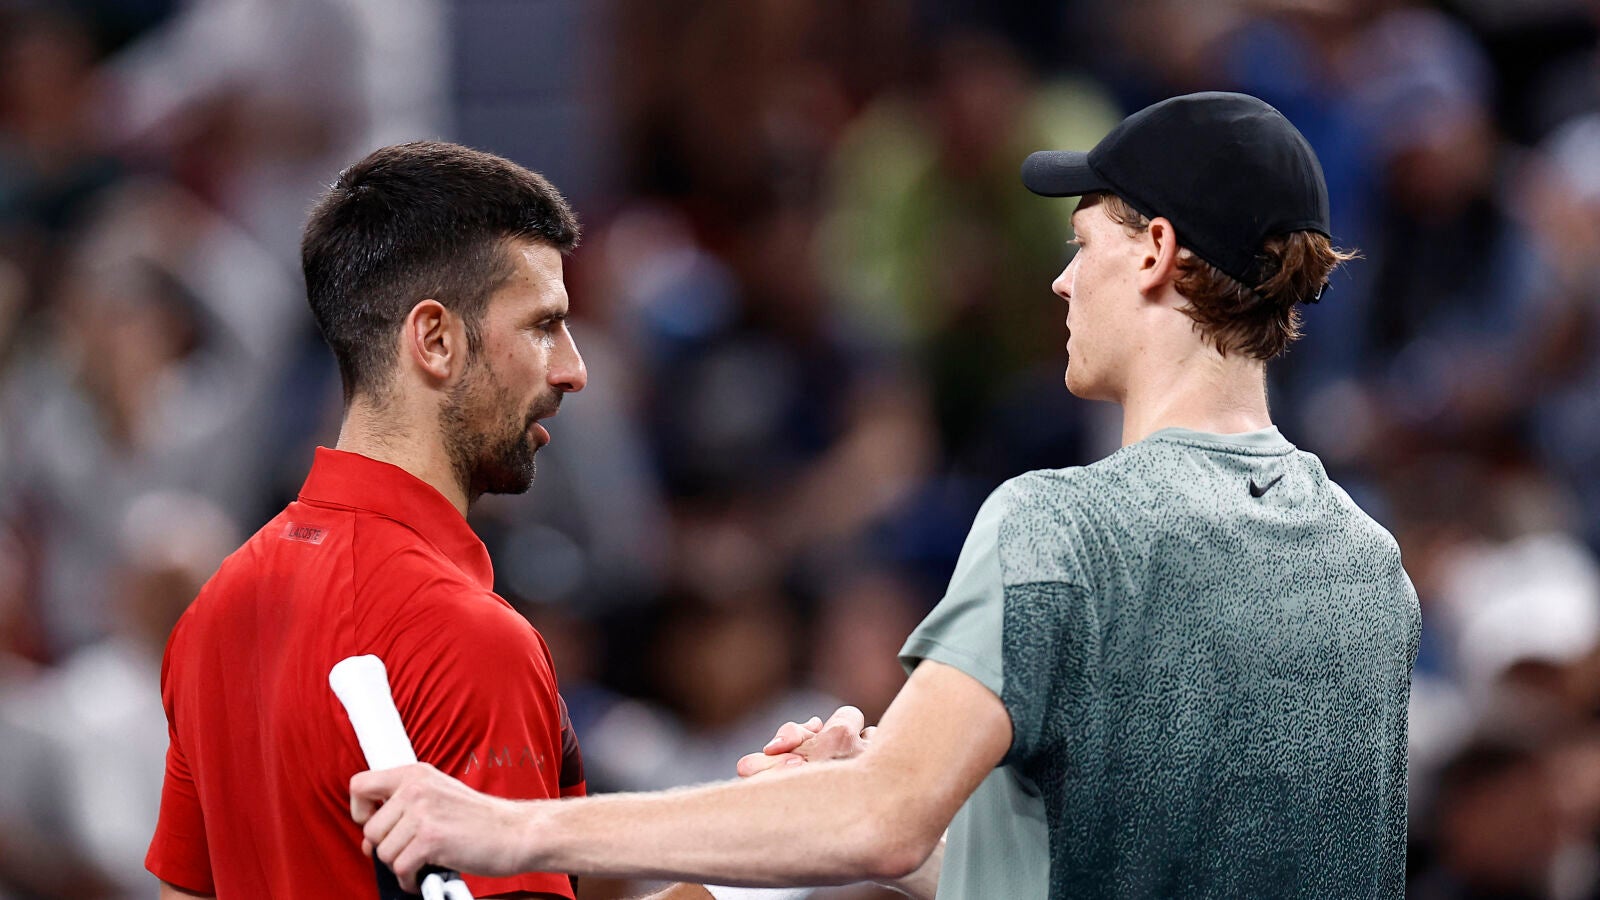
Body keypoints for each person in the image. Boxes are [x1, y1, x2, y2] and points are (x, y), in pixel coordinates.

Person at [347, 93, 1422, 899]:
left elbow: (880, 822)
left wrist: (509, 827)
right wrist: (909, 805)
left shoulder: (1061, 528)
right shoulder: (1370, 565)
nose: (1059, 280)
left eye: (1080, 242)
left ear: (1155, 253)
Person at [144, 140, 607, 899]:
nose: (573, 369)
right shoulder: (470, 641)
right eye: (543, 325)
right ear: (435, 340)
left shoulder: (215, 609)